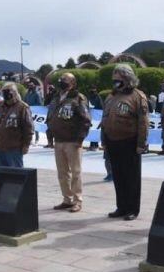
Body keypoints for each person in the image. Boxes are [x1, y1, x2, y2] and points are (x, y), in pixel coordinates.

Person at [101, 64, 149, 221]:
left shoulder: (137, 96)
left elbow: (143, 122)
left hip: (130, 142)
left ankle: (132, 209)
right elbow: (105, 119)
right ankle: (121, 206)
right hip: (112, 141)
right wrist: (104, 141)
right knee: (118, 176)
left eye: (118, 78)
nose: (115, 81)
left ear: (128, 79)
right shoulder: (111, 96)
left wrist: (141, 144)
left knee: (131, 178)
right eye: (114, 78)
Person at [46, 73, 91, 213]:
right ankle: (67, 199)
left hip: (73, 141)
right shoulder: (56, 97)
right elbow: (50, 116)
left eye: (64, 80)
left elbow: (86, 120)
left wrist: (80, 139)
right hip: (58, 140)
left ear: (72, 83)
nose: (61, 82)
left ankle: (77, 201)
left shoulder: (78, 99)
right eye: (60, 80)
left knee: (75, 172)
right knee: (62, 173)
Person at [0, 82, 34, 167]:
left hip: (14, 148)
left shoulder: (22, 107)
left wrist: (26, 145)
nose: (5, 94)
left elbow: (28, 128)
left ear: (14, 92)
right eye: (3, 92)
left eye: (7, 92)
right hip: (0, 147)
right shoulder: (0, 106)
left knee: (16, 175)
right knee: (3, 175)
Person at [43, 84, 56, 148]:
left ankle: (56, 143)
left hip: (55, 115)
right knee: (48, 131)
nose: (50, 89)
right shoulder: (48, 95)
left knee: (55, 130)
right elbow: (45, 103)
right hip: (50, 115)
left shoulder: (56, 96)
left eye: (52, 88)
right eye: (50, 88)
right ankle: (50, 143)